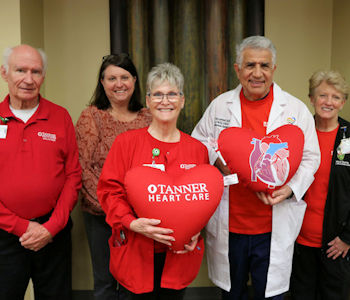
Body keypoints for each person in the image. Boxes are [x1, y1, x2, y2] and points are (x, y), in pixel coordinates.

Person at [192, 36, 320, 299]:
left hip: (273, 225)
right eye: (250, 65)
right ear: (238, 70)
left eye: (264, 65)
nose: (257, 73)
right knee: (232, 294)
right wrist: (218, 159)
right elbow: (198, 143)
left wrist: (290, 189)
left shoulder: (295, 109)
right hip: (231, 225)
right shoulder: (220, 106)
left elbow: (310, 157)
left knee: (271, 296)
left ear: (274, 69)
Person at [97, 62, 208, 300]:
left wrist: (196, 231)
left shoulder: (197, 150)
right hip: (135, 253)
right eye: (157, 94)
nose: (165, 101)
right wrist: (130, 222)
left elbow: (203, 198)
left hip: (178, 256)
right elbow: (109, 192)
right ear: (147, 100)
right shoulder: (126, 144)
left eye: (171, 94)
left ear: (182, 100)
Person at [0, 45, 81, 300]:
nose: (28, 78)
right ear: (4, 73)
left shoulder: (60, 116)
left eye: (36, 71)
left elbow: (73, 176)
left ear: (43, 77)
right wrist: (21, 226)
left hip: (53, 234)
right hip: (4, 235)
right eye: (20, 70)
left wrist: (51, 227)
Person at [75, 53, 152, 300]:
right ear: (102, 82)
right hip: (101, 215)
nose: (119, 84)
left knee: (135, 281)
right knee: (105, 280)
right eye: (112, 78)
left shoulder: (148, 117)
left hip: (140, 217)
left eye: (124, 77)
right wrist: (115, 210)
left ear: (134, 80)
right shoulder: (92, 116)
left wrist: (133, 214)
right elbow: (83, 167)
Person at [290, 70, 350, 300]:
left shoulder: (349, 137)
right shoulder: (298, 135)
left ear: (343, 102)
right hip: (298, 240)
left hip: (336, 245)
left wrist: (348, 238)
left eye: (336, 97)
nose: (328, 102)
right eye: (322, 95)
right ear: (311, 98)